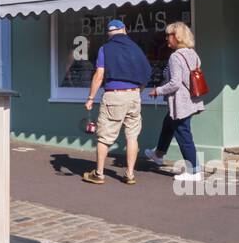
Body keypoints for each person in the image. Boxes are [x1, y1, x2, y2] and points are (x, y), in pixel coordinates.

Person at [81, 19, 151, 185]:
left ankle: (98, 174)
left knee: (104, 137)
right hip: (134, 96)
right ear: (124, 30)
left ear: (109, 33)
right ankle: (130, 174)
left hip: (114, 95)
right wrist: (138, 90)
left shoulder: (106, 48)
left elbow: (99, 75)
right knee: (132, 136)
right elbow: (146, 71)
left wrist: (91, 97)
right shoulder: (135, 48)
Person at [145, 21, 205, 181]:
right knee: (168, 124)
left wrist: (158, 90)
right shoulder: (193, 54)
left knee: (183, 134)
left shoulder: (175, 57)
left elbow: (175, 83)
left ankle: (194, 171)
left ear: (177, 37)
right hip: (191, 100)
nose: (166, 39)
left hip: (181, 102)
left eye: (169, 35)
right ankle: (159, 153)